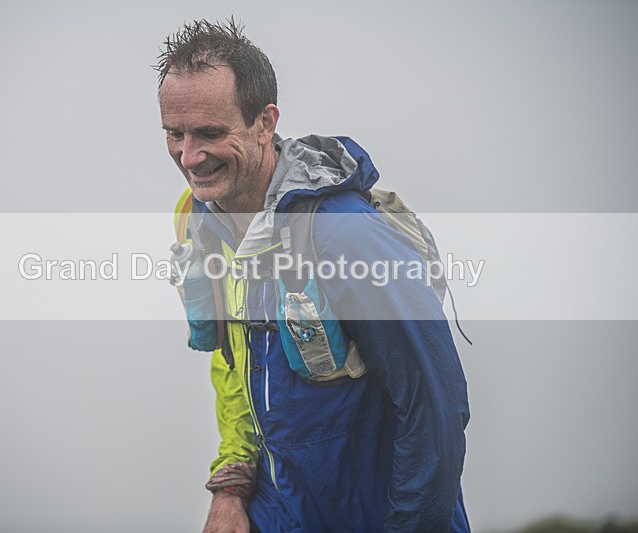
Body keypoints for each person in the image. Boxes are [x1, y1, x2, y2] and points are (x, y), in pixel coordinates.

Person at [156, 19, 471, 532]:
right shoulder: (197, 217)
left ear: (265, 122)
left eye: (211, 133)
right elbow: (234, 367)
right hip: (277, 514)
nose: (189, 156)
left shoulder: (344, 233)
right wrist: (232, 484)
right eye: (175, 133)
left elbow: (435, 406)